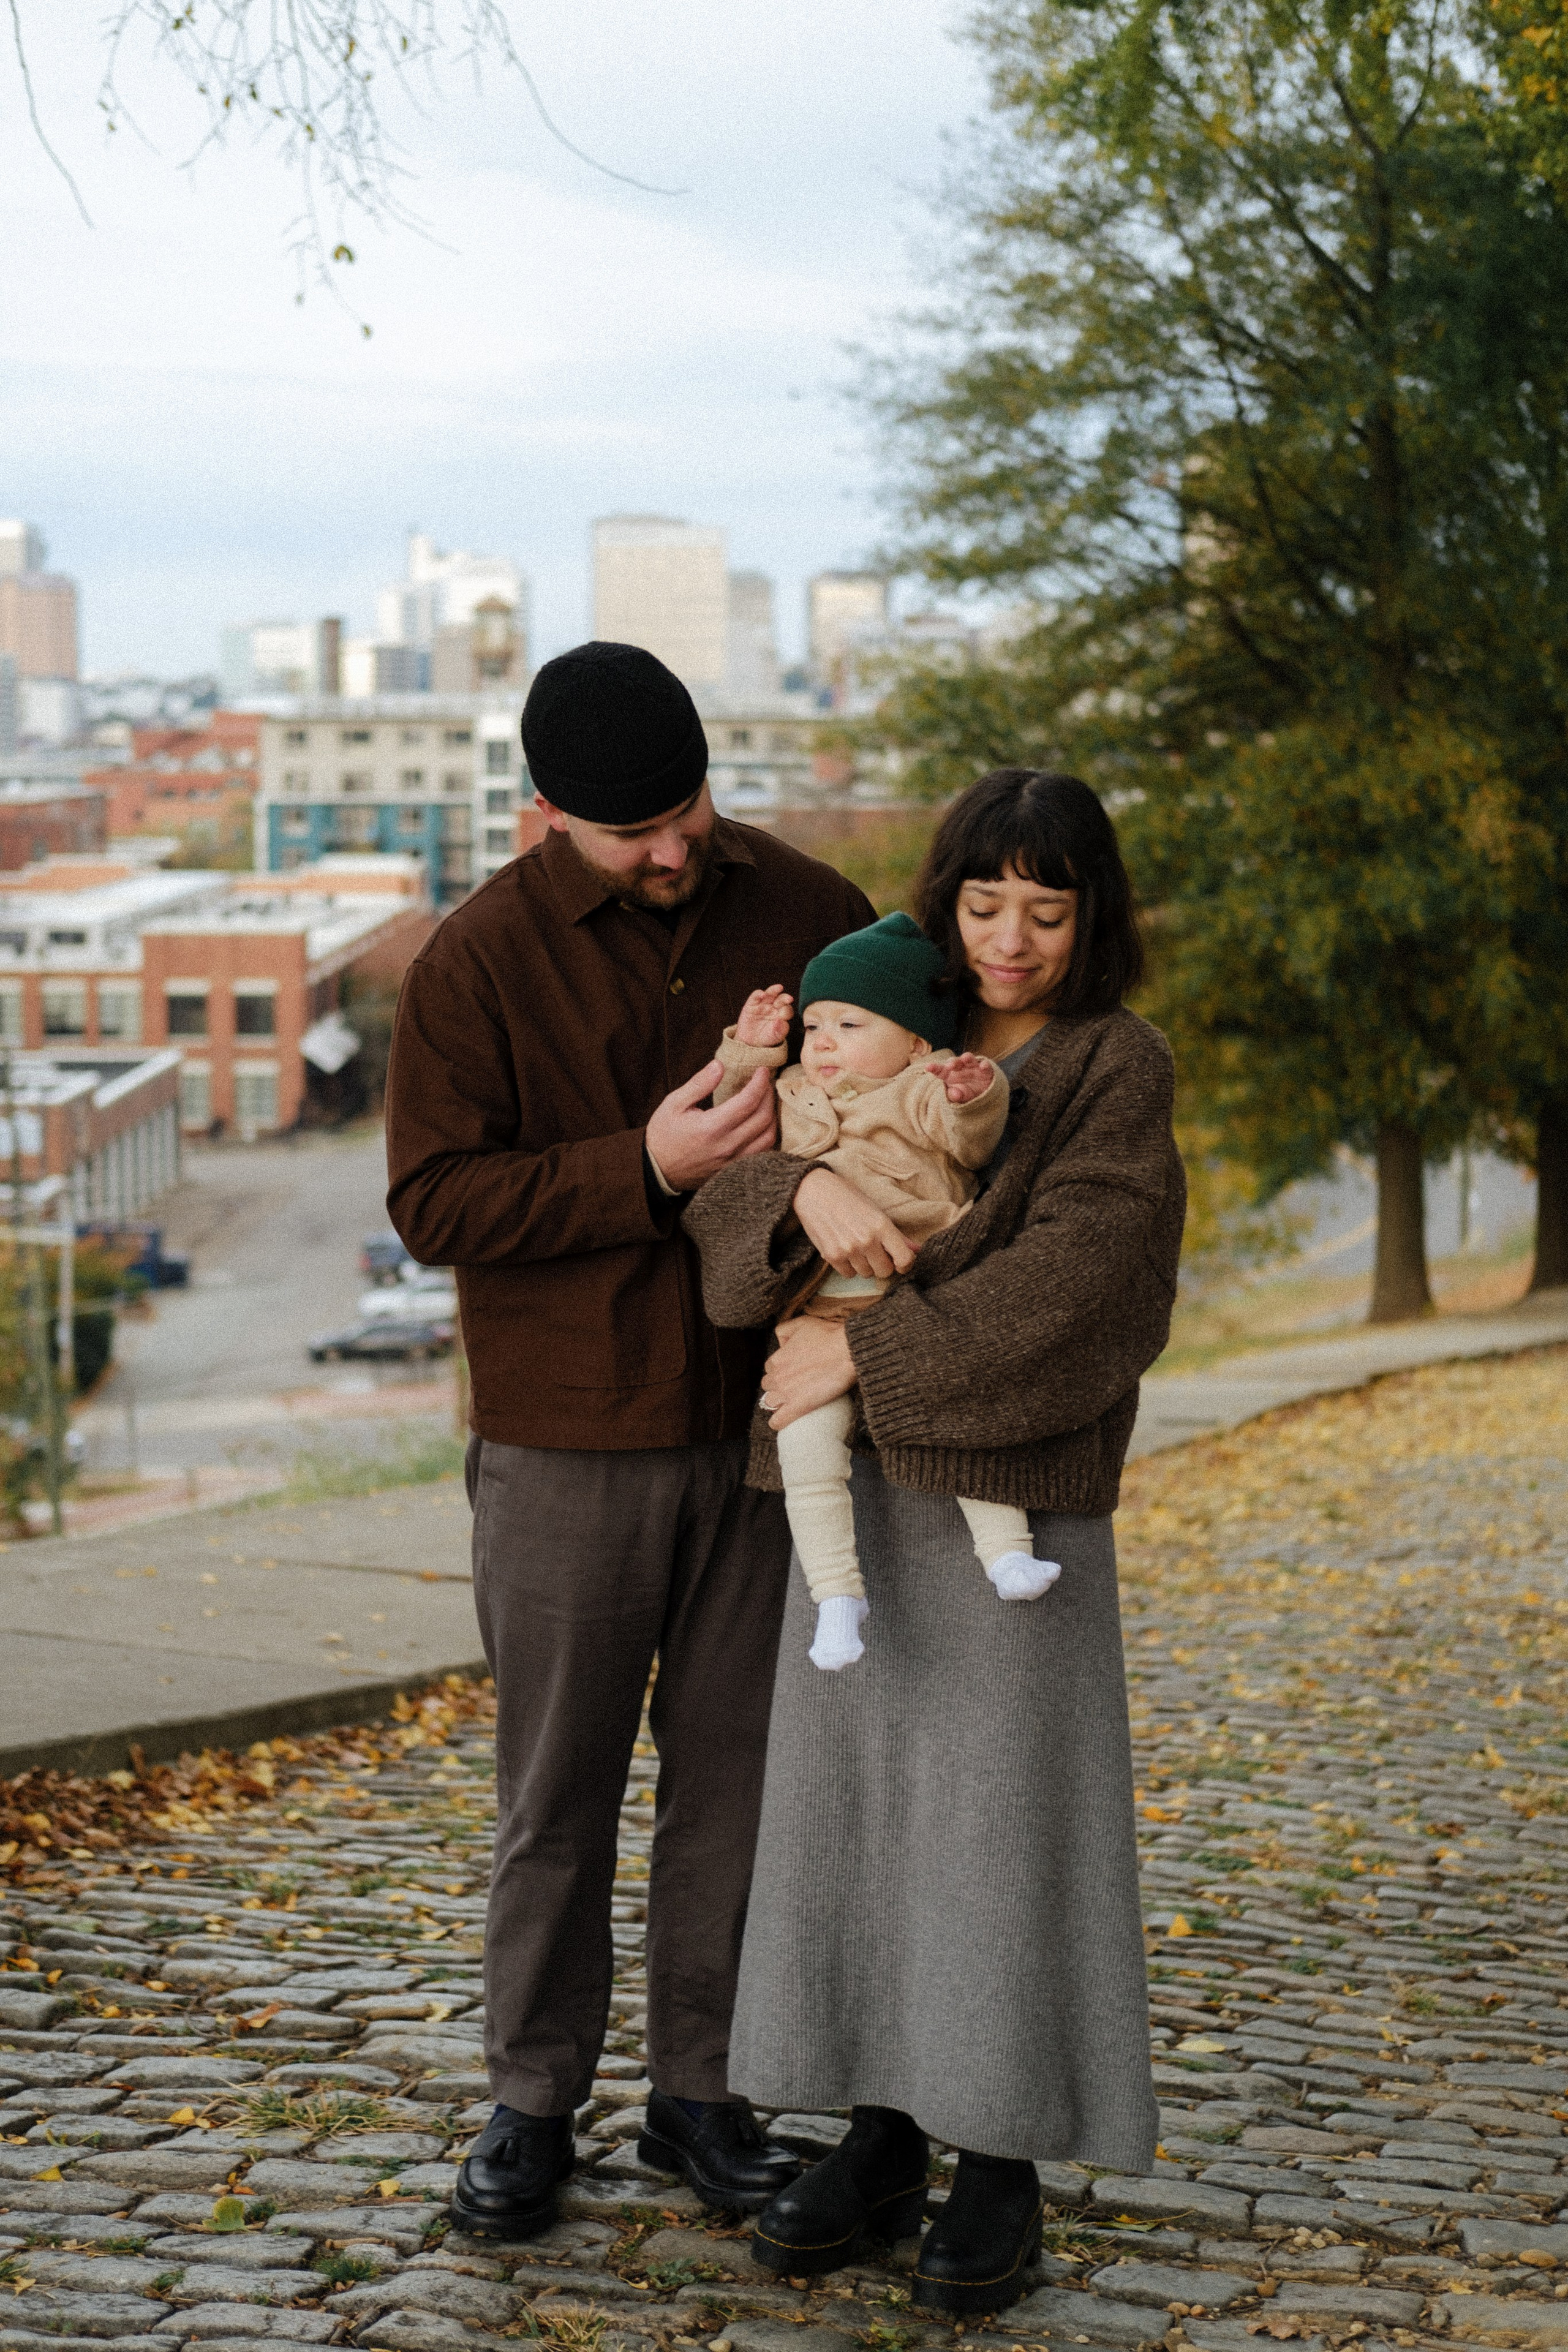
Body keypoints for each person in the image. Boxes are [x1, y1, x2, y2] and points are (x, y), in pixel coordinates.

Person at [383, 640, 874, 2239]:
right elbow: (433, 1205)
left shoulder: (809, 908)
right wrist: (645, 1167)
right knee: (556, 1795)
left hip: (761, 1431)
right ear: (544, 816)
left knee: (737, 1784)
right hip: (562, 1446)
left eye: (688, 811)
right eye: (632, 833)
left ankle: (702, 2098)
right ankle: (530, 2104)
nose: (675, 851)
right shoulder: (471, 964)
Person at [682, 769, 1186, 2315]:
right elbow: (726, 1220)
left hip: (1009, 1507)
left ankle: (999, 2158)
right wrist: (809, 1179)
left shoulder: (1108, 1062)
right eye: (983, 906)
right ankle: (881, 2127)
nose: (1013, 940)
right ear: (943, 902)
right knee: (858, 1821)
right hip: (846, 1517)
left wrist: (860, 1352)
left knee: (997, 1832)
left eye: (1047, 909)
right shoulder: (885, 1018)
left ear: (1089, 915)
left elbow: (1092, 1280)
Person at [709, 912, 1058, 1676]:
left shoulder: (917, 1091)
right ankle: (838, 1598)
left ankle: (1006, 1554)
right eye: (813, 1025)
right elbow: (731, 1119)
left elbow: (971, 1135)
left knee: (957, 1423)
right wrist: (748, 1052)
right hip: (817, 1312)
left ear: (915, 1043)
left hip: (913, 1302)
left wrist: (974, 1092)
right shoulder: (795, 1091)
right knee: (802, 1448)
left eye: (849, 1022)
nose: (822, 1040)